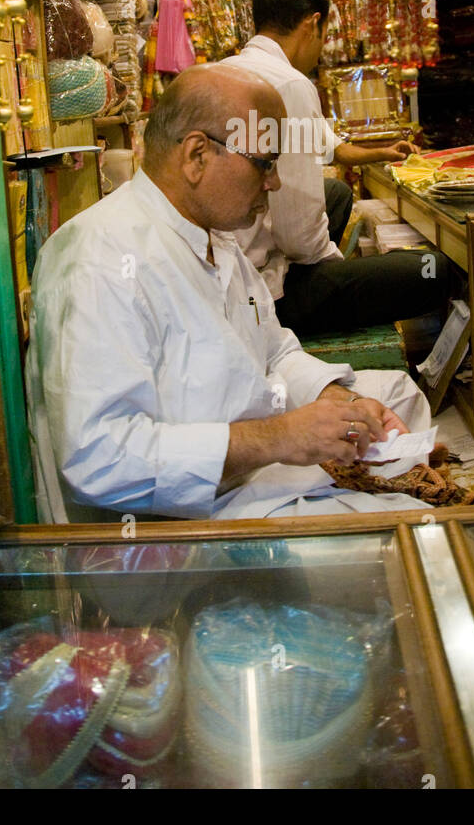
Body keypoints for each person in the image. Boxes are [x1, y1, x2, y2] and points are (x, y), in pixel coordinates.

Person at [25, 64, 435, 522]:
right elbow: (100, 459)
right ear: (197, 155)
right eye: (265, 163)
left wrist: (333, 400)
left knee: (396, 399)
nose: (274, 182)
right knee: (406, 530)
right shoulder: (101, 258)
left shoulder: (212, 236)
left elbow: (274, 352)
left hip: (247, 476)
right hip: (179, 526)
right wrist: (278, 437)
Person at [220, 0, 450, 336]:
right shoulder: (289, 84)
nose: (322, 48)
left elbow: (330, 148)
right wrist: (337, 269)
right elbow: (300, 236)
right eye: (325, 36)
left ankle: (314, 284)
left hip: (223, 268)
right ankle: (310, 303)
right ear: (313, 24)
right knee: (434, 269)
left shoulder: (230, 69)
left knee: (338, 194)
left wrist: (382, 152)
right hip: (258, 294)